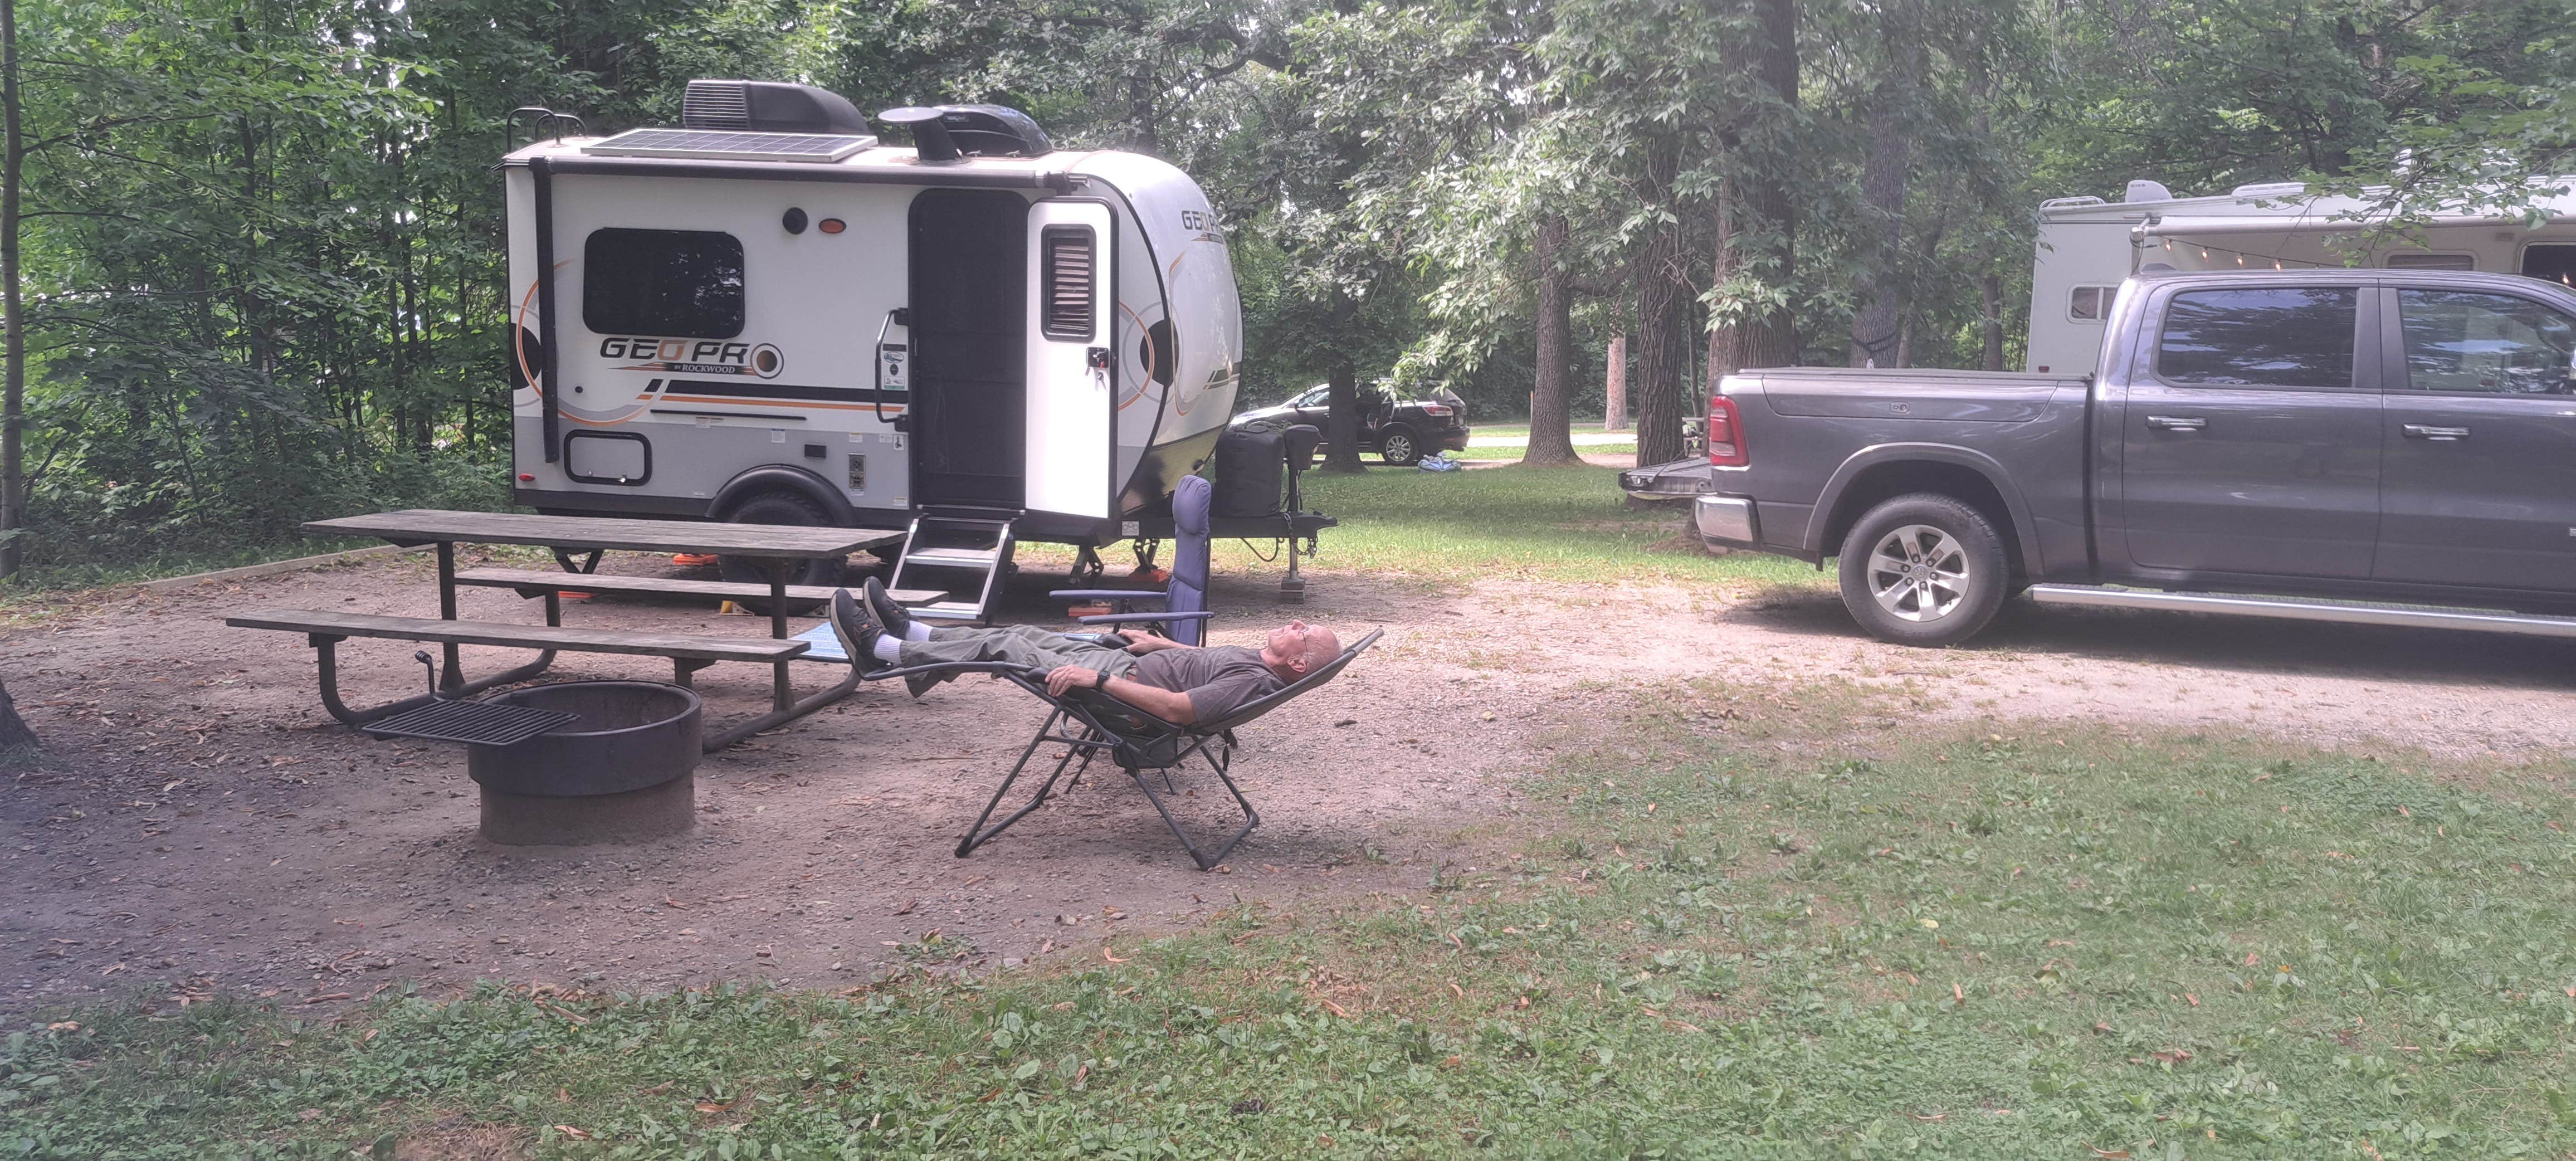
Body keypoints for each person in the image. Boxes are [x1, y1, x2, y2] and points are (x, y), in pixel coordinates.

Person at [830, 578, 1340, 726]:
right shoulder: (1255, 664)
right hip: (1129, 661)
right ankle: (917, 636)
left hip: (1119, 687)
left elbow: (1181, 709)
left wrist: (1096, 682)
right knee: (1025, 629)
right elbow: (1200, 666)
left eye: (1305, 630)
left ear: (1298, 664)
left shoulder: (1254, 683)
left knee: (1008, 645)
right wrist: (1161, 642)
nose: (1296, 622)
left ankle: (883, 653)